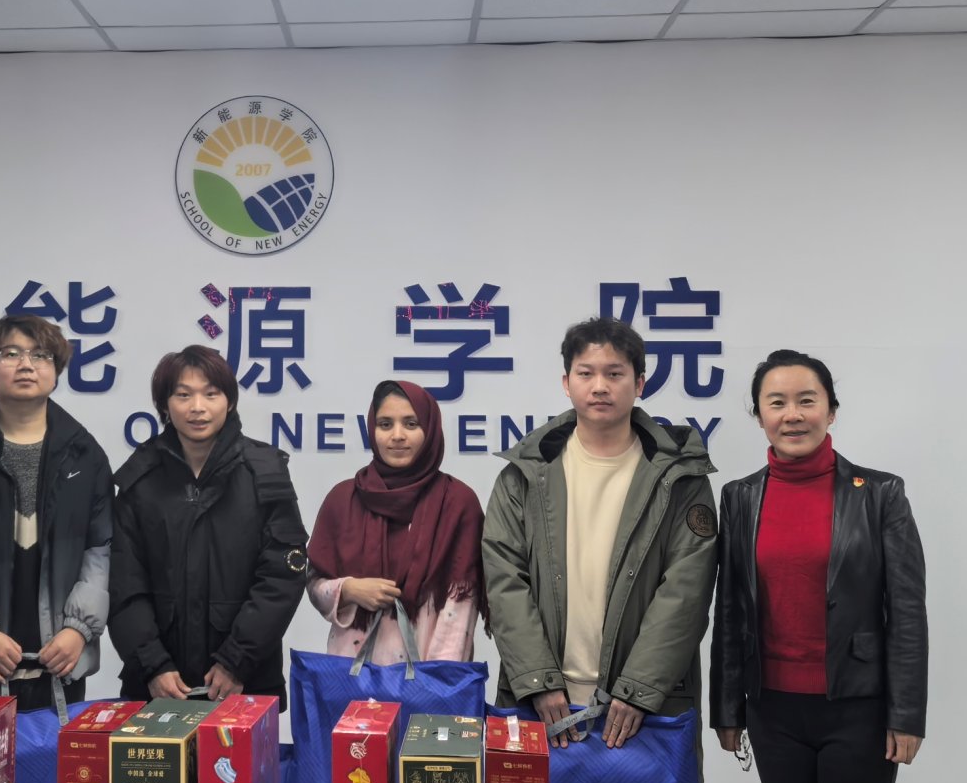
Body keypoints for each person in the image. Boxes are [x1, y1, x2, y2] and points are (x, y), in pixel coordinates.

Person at [710, 350, 927, 783]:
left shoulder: (879, 493)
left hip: (857, 710)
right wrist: (728, 709)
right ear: (759, 415)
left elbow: (907, 610)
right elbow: (730, 609)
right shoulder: (739, 497)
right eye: (776, 402)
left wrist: (906, 715)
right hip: (773, 712)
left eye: (807, 401)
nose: (793, 415)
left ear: (831, 411)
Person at [482, 316, 718, 749]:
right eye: (586, 373)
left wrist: (638, 687)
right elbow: (504, 580)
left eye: (614, 374)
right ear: (566, 382)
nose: (599, 387)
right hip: (541, 700)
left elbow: (687, 590)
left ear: (639, 383)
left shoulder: (680, 477)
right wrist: (538, 679)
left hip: (643, 708)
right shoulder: (524, 474)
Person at [109, 345, 307, 703]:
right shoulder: (141, 478)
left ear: (229, 402)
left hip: (245, 680)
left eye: (211, 394)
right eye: (183, 395)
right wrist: (152, 665)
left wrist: (236, 660)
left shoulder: (264, 472)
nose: (197, 407)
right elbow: (123, 582)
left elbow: (281, 577)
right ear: (165, 404)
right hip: (158, 687)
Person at [0, 315, 111, 708]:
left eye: (40, 355)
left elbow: (101, 548)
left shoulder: (86, 454)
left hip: (62, 660)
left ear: (56, 370)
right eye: (11, 354)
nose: (26, 365)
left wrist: (78, 629)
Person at [306, 379, 483, 662]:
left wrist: (437, 680)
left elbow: (460, 608)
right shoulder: (343, 499)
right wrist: (348, 590)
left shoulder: (458, 503)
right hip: (350, 673)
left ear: (430, 429)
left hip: (430, 670)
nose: (397, 435)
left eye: (411, 424)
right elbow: (315, 584)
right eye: (385, 424)